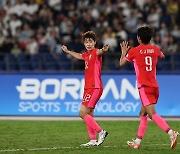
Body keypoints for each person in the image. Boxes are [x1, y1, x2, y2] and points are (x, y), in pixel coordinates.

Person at [119, 26, 179, 149]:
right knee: (143, 113)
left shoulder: (134, 51)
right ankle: (137, 142)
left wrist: (124, 52)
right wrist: (151, 51)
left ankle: (171, 132)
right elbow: (162, 55)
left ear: (138, 38)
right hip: (154, 87)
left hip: (144, 87)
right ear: (150, 38)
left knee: (152, 114)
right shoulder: (155, 49)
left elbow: (121, 63)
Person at [61, 31, 109, 147]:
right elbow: (79, 55)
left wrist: (104, 49)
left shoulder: (96, 52)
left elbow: (100, 51)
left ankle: (101, 132)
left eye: (90, 42)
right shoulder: (86, 55)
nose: (88, 44)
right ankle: (92, 140)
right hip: (88, 87)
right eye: (86, 42)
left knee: (82, 113)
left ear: (94, 42)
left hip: (95, 87)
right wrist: (68, 51)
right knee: (89, 114)